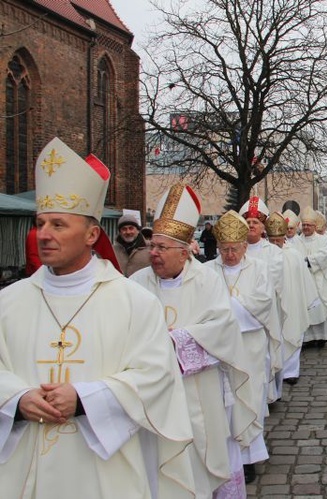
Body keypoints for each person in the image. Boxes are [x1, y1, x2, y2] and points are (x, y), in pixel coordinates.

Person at [0, 137, 194, 498]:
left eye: (58, 225)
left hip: (105, 470)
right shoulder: (8, 302)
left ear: (91, 234)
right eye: (39, 223)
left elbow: (156, 376)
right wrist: (15, 399)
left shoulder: (134, 301)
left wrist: (85, 398)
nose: (43, 235)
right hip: (21, 468)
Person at [131, 184, 257, 497]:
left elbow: (223, 329)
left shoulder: (207, 281)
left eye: (162, 248)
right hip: (152, 394)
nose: (154, 254)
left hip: (198, 391)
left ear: (184, 251)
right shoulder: (134, 284)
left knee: (200, 462)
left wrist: (177, 340)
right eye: (153, 246)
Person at [205, 210, 279, 485]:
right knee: (223, 403)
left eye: (235, 249)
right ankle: (226, 457)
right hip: (219, 350)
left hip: (249, 346)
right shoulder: (207, 271)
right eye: (224, 249)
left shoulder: (258, 268)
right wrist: (226, 310)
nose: (230, 255)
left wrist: (225, 308)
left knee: (249, 399)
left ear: (245, 247)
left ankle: (248, 458)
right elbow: (202, 306)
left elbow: (263, 302)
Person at [239, 196, 284, 402]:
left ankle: (268, 395)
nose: (251, 226)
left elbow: (274, 280)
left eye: (255, 222)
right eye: (247, 222)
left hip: (265, 310)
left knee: (266, 353)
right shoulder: (237, 250)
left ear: (262, 226)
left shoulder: (272, 251)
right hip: (241, 312)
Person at [265, 212, 317, 385]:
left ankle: (291, 371)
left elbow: (304, 278)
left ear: (283, 239)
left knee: (293, 333)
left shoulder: (293, 254)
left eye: (277, 241)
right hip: (270, 305)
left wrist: (307, 301)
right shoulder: (262, 256)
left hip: (292, 301)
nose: (274, 245)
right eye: (271, 241)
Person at [299, 206, 327, 347]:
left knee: (320, 307)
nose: (306, 227)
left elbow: (326, 255)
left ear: (315, 226)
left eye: (309, 225)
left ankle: (321, 337)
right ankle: (307, 339)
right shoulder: (296, 241)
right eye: (304, 225)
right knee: (305, 308)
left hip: (320, 280)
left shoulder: (323, 240)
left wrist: (308, 260)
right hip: (303, 282)